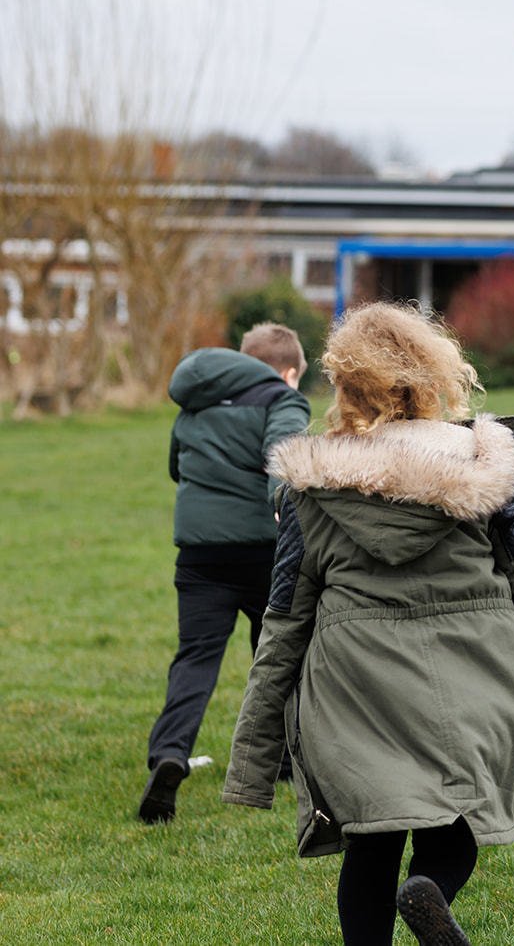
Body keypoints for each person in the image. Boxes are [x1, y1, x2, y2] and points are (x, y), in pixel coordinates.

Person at [221, 303, 514, 946]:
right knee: (454, 833)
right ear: (435, 375)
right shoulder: (487, 463)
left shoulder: (310, 488)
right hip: (479, 671)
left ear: (346, 386)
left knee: (372, 846)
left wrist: (254, 755)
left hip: (355, 686)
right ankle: (431, 892)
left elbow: (283, 621)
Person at [139, 322, 311, 825]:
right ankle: (285, 759)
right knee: (278, 653)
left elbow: (177, 466)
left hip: (199, 552)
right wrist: (281, 504)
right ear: (288, 371)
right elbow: (283, 462)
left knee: (195, 657)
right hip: (264, 552)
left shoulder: (196, 398)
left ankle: (170, 753)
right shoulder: (285, 401)